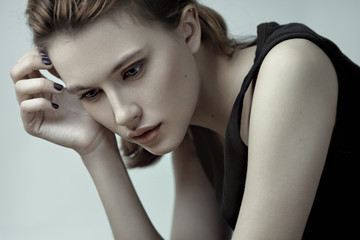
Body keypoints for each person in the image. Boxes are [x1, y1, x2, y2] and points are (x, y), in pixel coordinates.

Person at [10, 0, 359, 239]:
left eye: (132, 71)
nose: (122, 115)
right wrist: (96, 149)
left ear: (188, 29)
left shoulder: (289, 70)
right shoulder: (192, 128)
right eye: (91, 94)